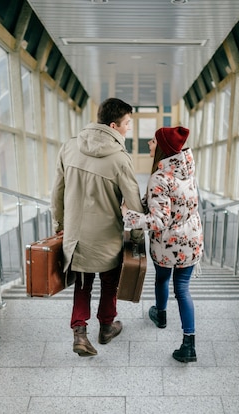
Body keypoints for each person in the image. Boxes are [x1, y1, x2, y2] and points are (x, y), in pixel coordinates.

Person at [51, 97, 144, 357]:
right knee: (109, 283)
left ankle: (80, 332)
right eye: (127, 123)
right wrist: (137, 236)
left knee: (82, 283)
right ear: (114, 125)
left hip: (76, 236)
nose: (129, 128)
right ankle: (106, 326)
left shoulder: (69, 147)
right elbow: (135, 204)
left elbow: (57, 192)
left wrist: (59, 224)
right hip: (106, 237)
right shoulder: (120, 160)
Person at [122, 126, 203, 362]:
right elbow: (174, 205)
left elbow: (159, 220)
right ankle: (189, 344)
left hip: (167, 244)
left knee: (162, 279)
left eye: (154, 141)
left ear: (163, 148)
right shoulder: (187, 171)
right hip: (191, 240)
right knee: (183, 289)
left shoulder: (160, 177)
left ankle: (161, 314)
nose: (149, 144)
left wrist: (129, 216)